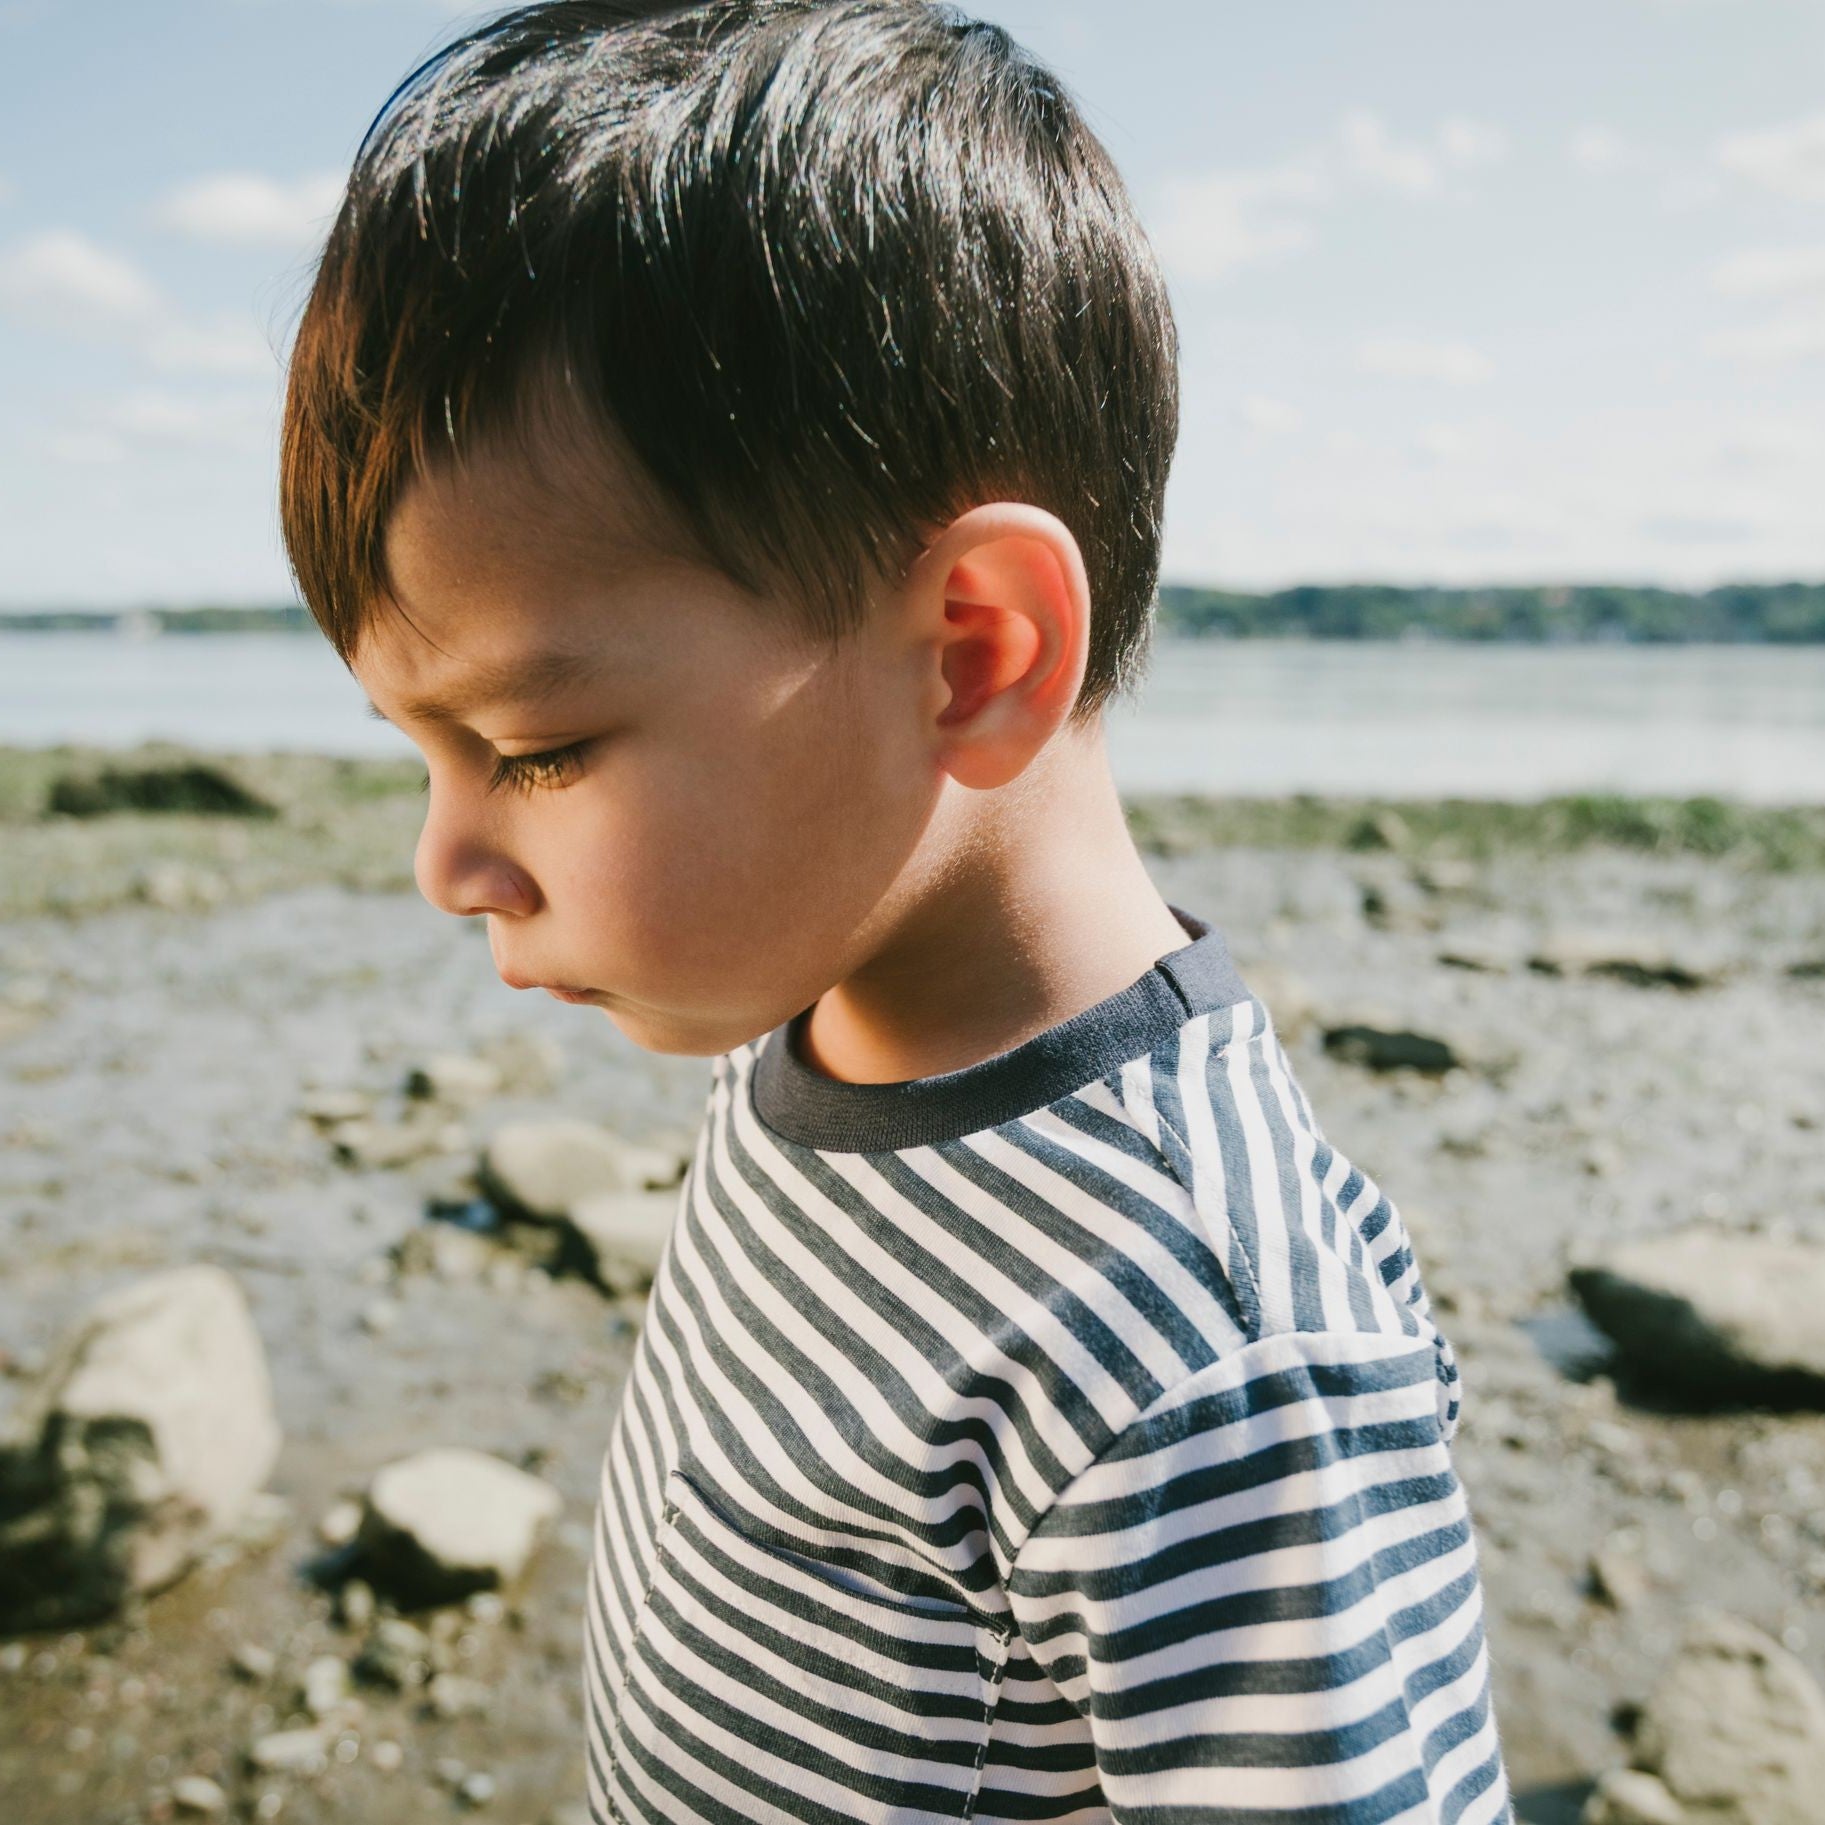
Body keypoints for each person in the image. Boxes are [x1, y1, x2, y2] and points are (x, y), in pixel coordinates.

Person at [277, 3, 1514, 1819]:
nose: (444, 862)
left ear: (970, 652)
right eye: (421, 749)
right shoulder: (818, 1014)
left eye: (530, 748)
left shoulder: (1205, 1348)